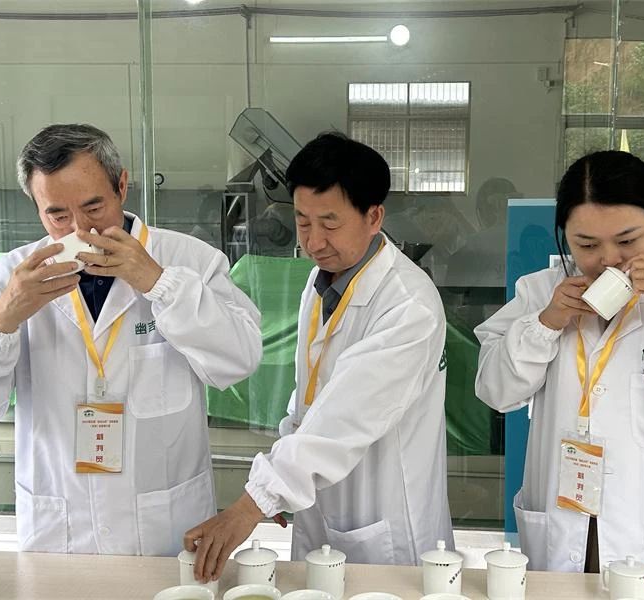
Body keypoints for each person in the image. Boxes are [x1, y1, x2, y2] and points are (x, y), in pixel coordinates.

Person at [0, 123, 263, 556]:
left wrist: (160, 284)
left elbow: (240, 360)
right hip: (60, 528)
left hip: (164, 527)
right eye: (57, 215)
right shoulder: (8, 277)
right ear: (36, 208)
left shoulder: (187, 259)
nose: (80, 229)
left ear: (122, 186)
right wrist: (3, 318)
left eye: (93, 207)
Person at [185, 132, 454, 581]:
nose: (313, 241)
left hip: (385, 520)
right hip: (320, 502)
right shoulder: (323, 280)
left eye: (330, 223)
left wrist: (255, 502)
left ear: (374, 216)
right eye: (303, 221)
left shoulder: (409, 307)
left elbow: (345, 416)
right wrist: (281, 480)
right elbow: (310, 391)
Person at [474, 150, 644, 573]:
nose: (608, 259)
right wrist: (546, 324)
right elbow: (495, 391)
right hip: (569, 528)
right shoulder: (541, 294)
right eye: (586, 245)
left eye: (627, 241)